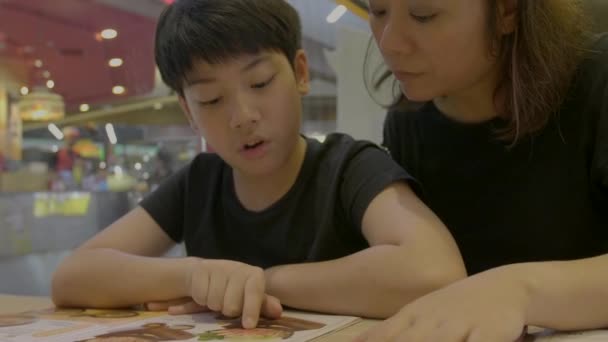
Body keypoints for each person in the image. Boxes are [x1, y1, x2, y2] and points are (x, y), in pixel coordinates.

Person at [52, 0, 465, 330]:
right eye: (212, 100)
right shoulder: (200, 182)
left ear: (300, 73)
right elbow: (73, 277)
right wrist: (193, 277)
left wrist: (259, 281)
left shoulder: (349, 167)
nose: (242, 116)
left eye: (261, 83)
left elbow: (435, 272)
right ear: (188, 111)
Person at [357, 0, 608, 341]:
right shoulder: (406, 123)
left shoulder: (597, 80)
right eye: (378, 11)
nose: (389, 42)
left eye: (423, 16)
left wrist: (519, 290)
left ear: (507, 11)